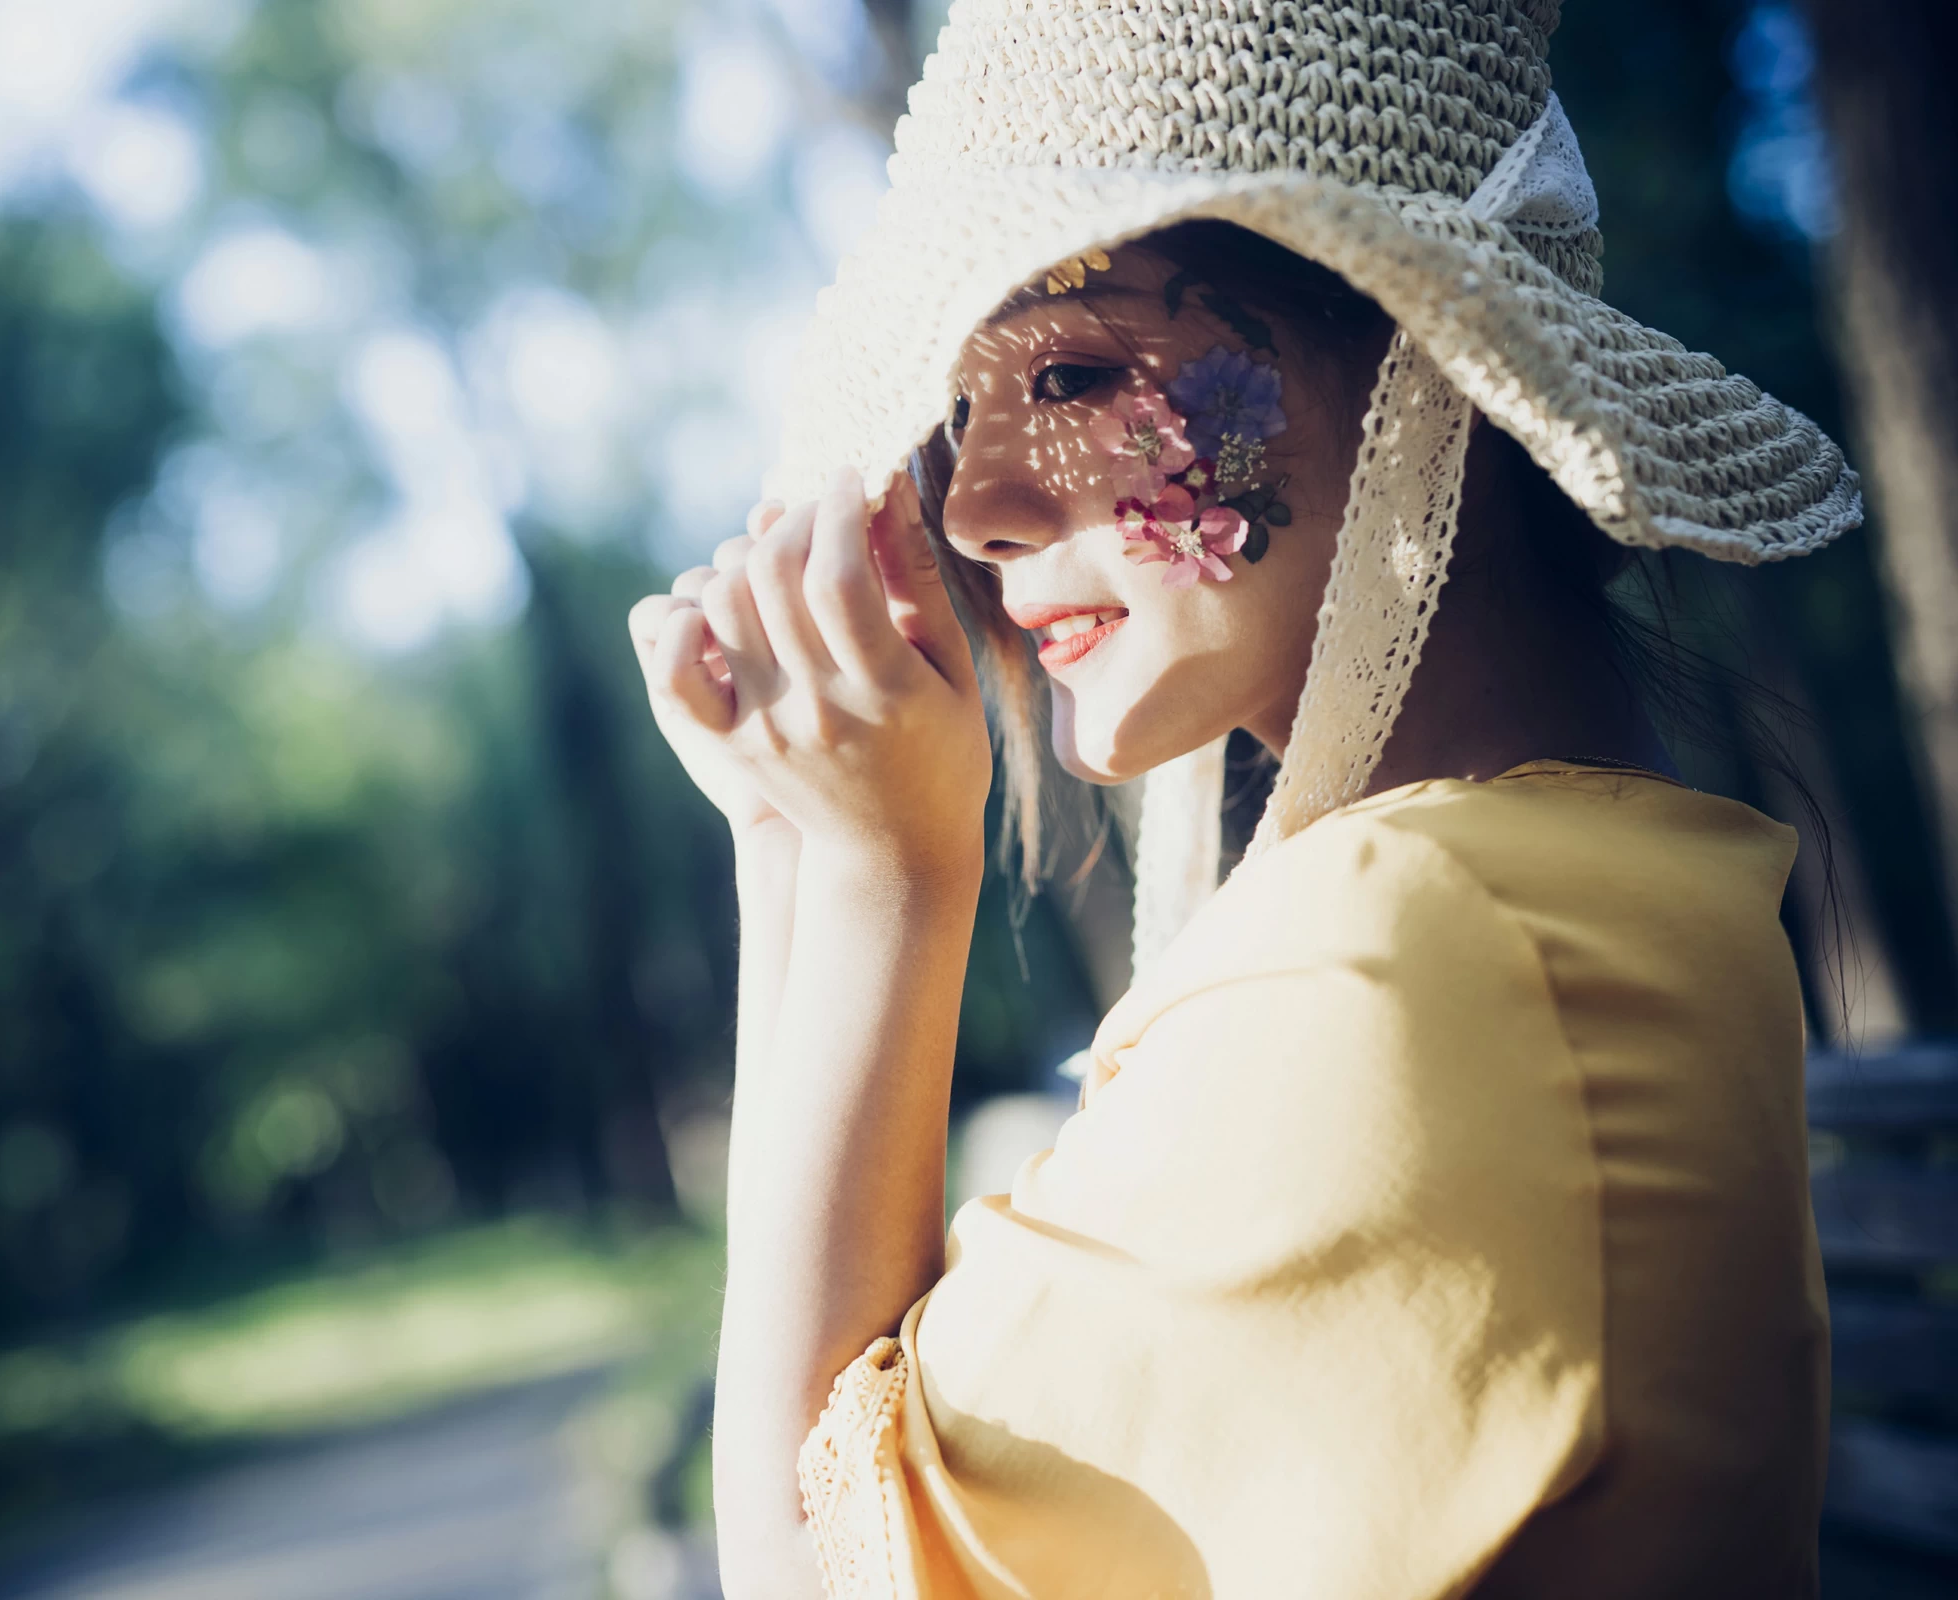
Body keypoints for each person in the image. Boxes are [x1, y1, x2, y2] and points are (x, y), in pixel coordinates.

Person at [624, 3, 1858, 1595]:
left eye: (1069, 369)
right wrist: (788, 840)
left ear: (1419, 345)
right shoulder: (1522, 887)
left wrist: (877, 884)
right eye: (955, 420)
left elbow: (802, 1567)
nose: (978, 511)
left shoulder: (1420, 947)